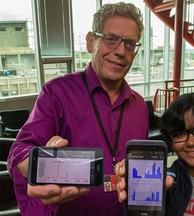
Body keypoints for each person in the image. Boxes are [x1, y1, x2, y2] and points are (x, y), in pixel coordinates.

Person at [7, 2, 148, 216]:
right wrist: (44, 168)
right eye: (111, 39)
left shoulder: (139, 105)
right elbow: (19, 152)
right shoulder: (57, 93)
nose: (120, 51)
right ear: (91, 42)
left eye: (130, 44)